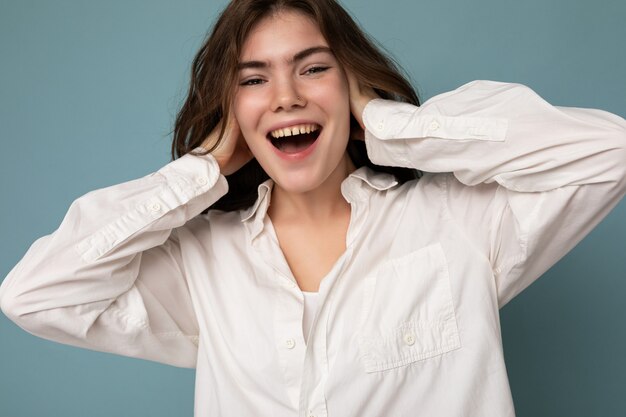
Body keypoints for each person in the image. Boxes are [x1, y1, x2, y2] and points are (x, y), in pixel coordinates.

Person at [1, 0, 625, 416]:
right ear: (232, 112)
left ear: (349, 83)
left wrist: (388, 123)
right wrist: (204, 168)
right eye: (253, 79)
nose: (286, 97)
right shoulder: (201, 263)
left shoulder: (457, 222)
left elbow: (609, 151)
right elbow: (32, 295)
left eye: (313, 69)